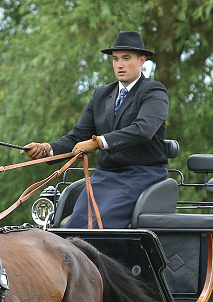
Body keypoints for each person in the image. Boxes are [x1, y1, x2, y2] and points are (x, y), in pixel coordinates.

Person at [22, 30, 168, 229]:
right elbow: (78, 136)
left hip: (141, 175)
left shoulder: (153, 91)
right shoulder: (102, 94)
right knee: (76, 226)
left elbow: (143, 130)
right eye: (116, 59)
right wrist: (48, 149)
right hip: (105, 177)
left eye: (126, 58)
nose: (120, 64)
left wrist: (99, 142)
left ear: (141, 60)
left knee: (98, 227)